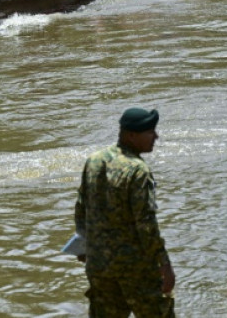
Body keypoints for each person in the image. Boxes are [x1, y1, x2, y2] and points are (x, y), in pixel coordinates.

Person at [74, 108, 175, 317]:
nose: (156, 137)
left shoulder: (94, 160)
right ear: (131, 135)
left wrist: (84, 247)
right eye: (150, 132)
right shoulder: (137, 170)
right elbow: (145, 223)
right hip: (134, 268)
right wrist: (164, 263)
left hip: (99, 266)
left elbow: (81, 208)